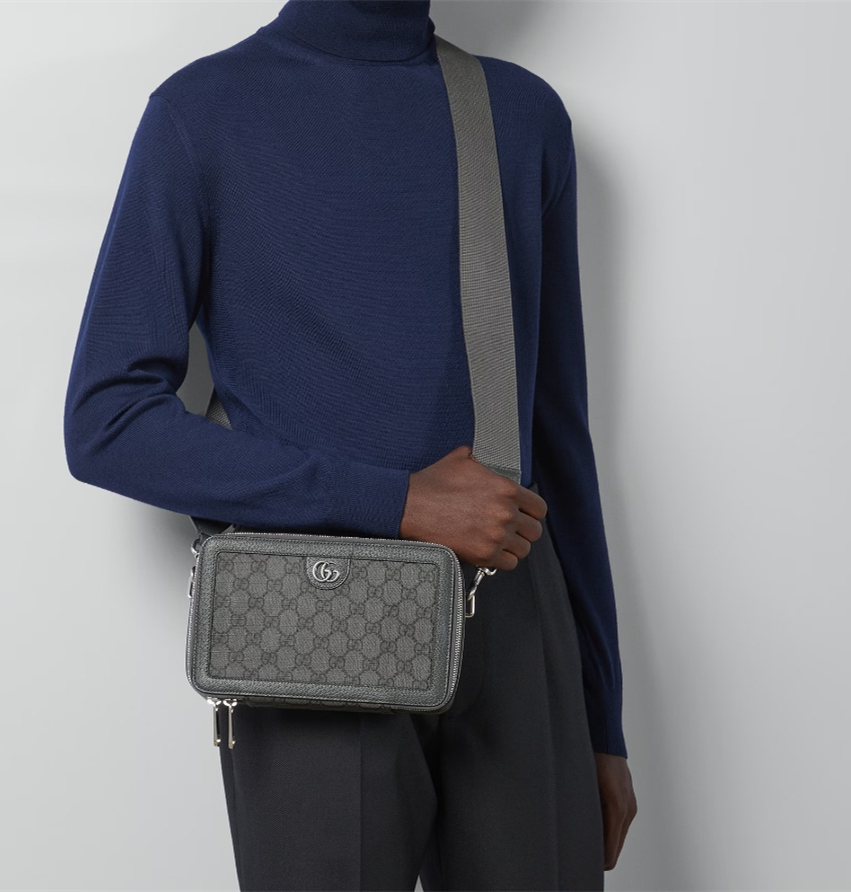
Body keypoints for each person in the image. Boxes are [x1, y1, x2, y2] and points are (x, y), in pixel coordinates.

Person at [64, 1, 637, 889]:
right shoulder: (203, 112)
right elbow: (108, 421)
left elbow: (558, 433)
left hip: (517, 623)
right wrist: (397, 502)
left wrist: (601, 718)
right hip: (314, 626)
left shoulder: (520, 116)